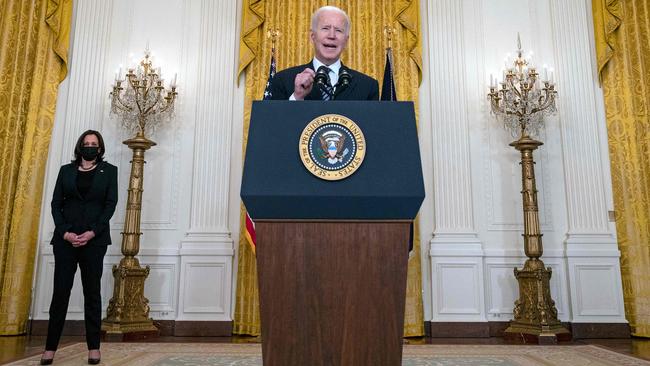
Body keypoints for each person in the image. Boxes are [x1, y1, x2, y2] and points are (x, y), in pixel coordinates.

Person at [41, 130, 118, 365]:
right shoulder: (66, 171)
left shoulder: (110, 171)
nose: (90, 147)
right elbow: (56, 203)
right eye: (86, 143)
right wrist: (65, 232)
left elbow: (110, 204)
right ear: (80, 146)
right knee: (60, 294)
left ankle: (94, 348)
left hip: (95, 241)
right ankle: (49, 349)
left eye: (94, 144)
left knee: (92, 294)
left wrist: (92, 232)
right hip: (65, 240)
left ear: (100, 148)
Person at [269, 6, 379, 101]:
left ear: (346, 40)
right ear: (313, 36)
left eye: (338, 30)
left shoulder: (368, 86)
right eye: (325, 28)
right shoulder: (283, 80)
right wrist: (297, 96)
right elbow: (275, 123)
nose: (331, 35)